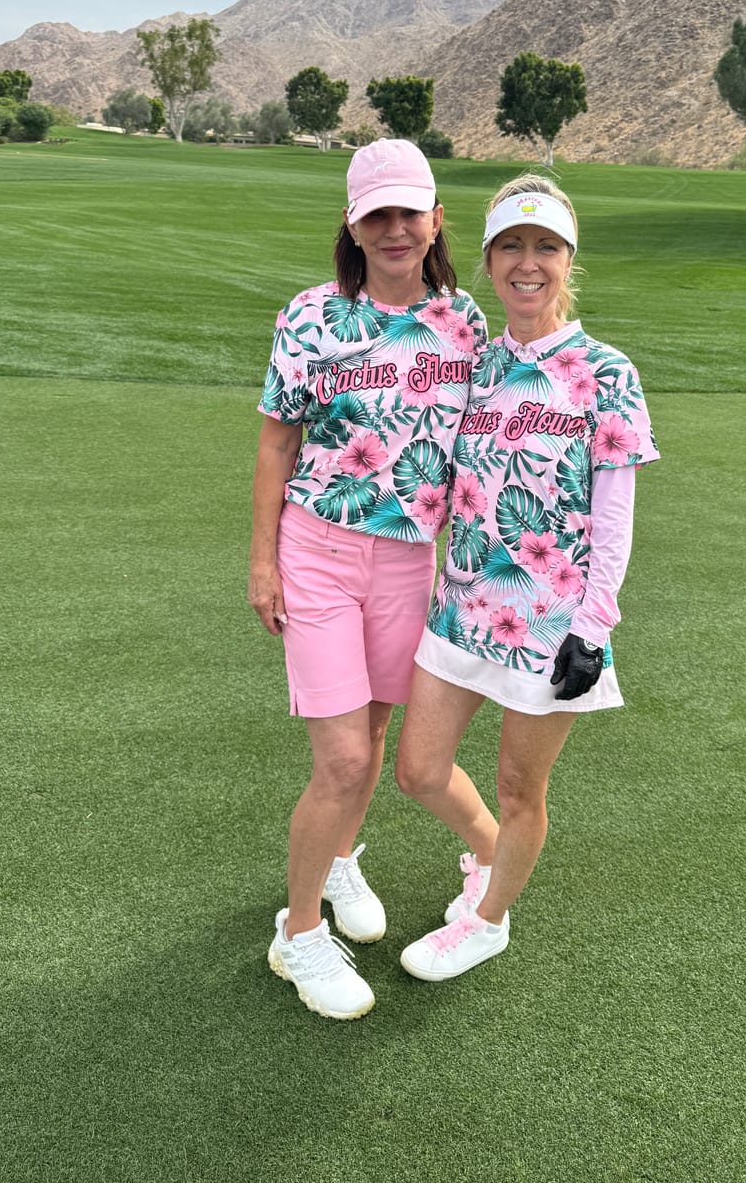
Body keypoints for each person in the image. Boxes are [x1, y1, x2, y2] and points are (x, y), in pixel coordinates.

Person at [395, 174, 659, 981]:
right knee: (418, 771)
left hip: (550, 622)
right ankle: (488, 856)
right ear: (488, 259)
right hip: (461, 606)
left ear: (568, 259)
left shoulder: (605, 372)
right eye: (511, 245)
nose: (527, 263)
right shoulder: (473, 367)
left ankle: (488, 922)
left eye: (546, 246)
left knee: (519, 788)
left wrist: (595, 627)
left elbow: (613, 513)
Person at [249, 138, 488, 1019]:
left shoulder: (464, 323)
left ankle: (341, 861)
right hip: (317, 548)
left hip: (409, 558)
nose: (394, 229)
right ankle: (299, 932)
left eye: (408, 213)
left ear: (435, 221)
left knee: (377, 730)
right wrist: (262, 560)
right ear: (352, 226)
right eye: (376, 215)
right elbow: (277, 440)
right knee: (344, 758)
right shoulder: (312, 316)